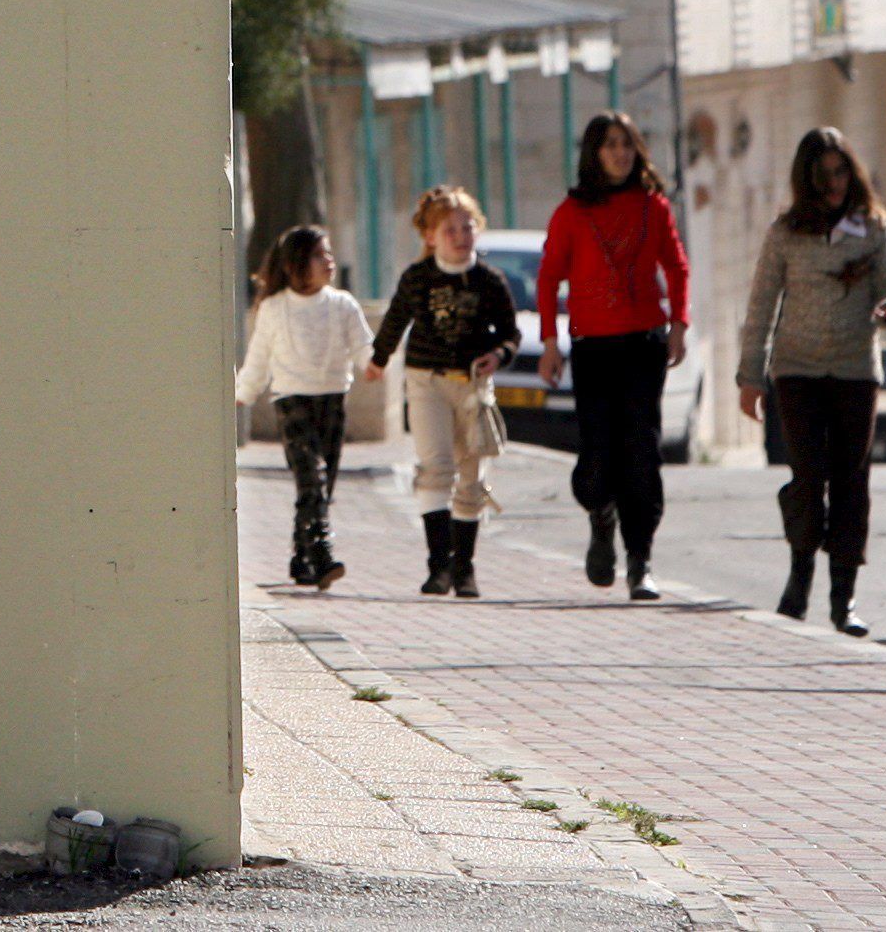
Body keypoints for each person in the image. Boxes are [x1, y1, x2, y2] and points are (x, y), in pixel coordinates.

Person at [734, 127, 886, 636]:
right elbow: (761, 306)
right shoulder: (786, 232)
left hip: (855, 369)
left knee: (852, 481)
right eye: (822, 176)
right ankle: (800, 571)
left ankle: (843, 596)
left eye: (840, 172)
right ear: (806, 181)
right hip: (798, 370)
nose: (833, 184)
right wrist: (751, 376)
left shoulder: (873, 227)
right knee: (809, 478)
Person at [537, 113, 691, 601]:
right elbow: (547, 279)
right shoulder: (572, 212)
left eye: (627, 144)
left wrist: (678, 324)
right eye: (610, 145)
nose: (620, 153)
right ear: (594, 154)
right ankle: (600, 519)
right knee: (598, 454)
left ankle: (640, 561)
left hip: (643, 344)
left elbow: (677, 267)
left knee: (642, 453)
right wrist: (547, 343)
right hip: (592, 348)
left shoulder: (654, 207)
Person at [367, 186, 520, 599]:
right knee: (436, 467)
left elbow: (510, 334)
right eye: (449, 229)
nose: (459, 235)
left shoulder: (490, 281)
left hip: (472, 385)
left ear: (477, 230)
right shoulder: (418, 278)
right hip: (426, 380)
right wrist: (378, 360)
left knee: (471, 475)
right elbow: (395, 321)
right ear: (431, 236)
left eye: (466, 227)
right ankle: (439, 567)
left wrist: (498, 355)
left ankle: (465, 568)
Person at [239, 223, 373, 590]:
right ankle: (322, 553)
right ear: (296, 263)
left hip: (332, 400)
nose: (328, 260)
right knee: (310, 479)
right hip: (291, 402)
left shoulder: (342, 304)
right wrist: (244, 391)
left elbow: (363, 345)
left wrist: (374, 364)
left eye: (328, 252)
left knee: (322, 483)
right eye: (318, 254)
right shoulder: (274, 308)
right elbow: (259, 356)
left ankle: (301, 558)